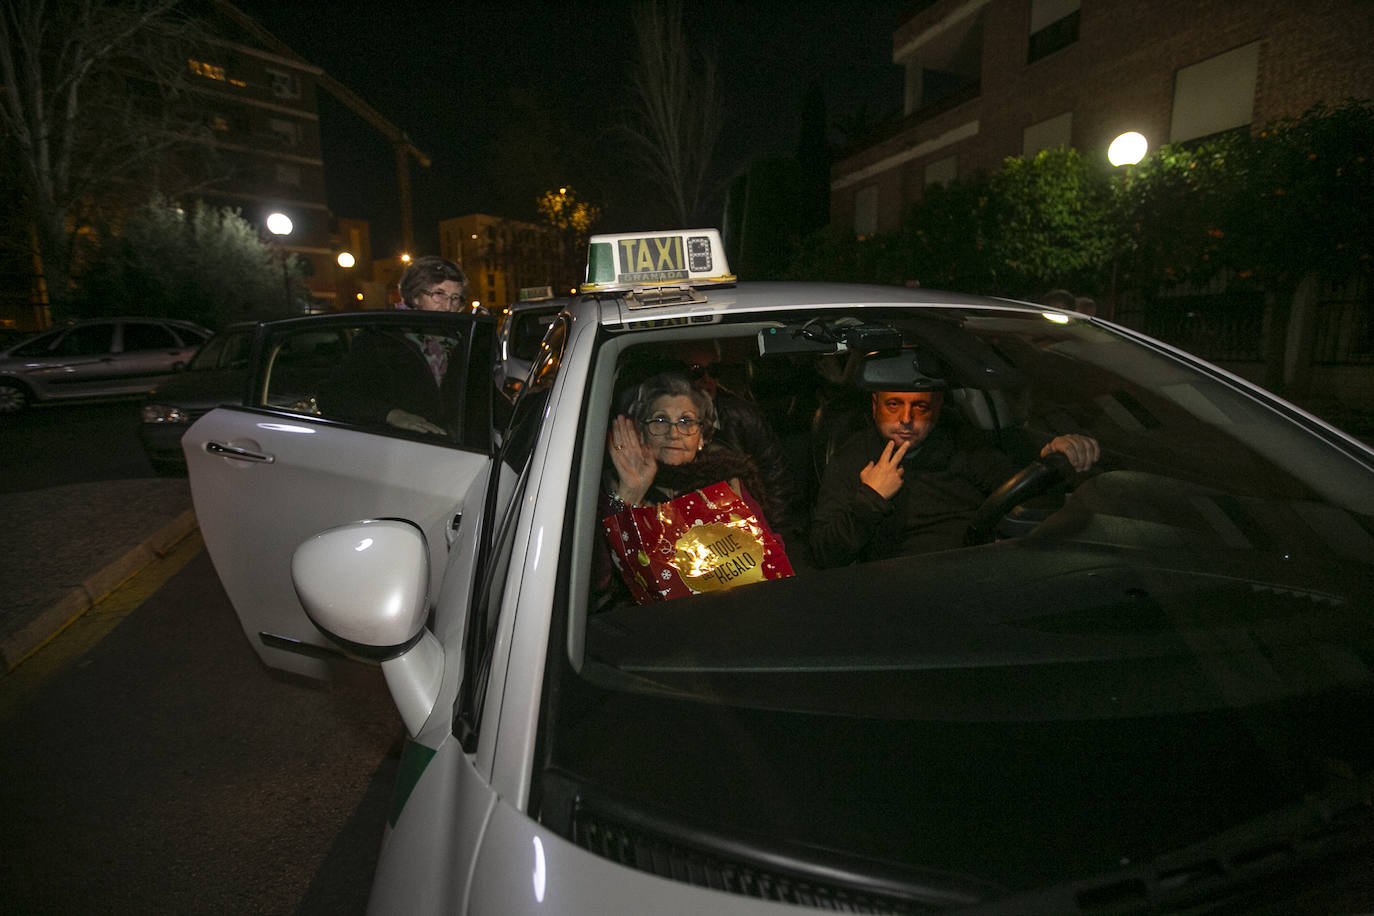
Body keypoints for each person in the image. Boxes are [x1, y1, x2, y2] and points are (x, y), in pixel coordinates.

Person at [808, 373, 1099, 568]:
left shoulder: (964, 445)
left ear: (937, 408)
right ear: (874, 406)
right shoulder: (852, 459)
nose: (906, 419)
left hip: (976, 573)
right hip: (899, 589)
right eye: (893, 405)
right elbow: (823, 553)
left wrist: (1049, 461)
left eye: (920, 407)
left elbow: (1028, 505)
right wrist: (870, 499)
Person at [317, 255, 468, 436]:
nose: (448, 306)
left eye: (455, 297)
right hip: (399, 446)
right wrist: (390, 414)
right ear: (415, 296)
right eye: (439, 294)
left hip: (456, 446)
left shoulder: (461, 340)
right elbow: (333, 396)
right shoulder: (381, 339)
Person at [604, 371, 771, 523]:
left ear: (701, 437)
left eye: (686, 421)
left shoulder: (730, 480)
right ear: (641, 432)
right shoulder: (614, 485)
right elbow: (606, 552)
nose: (674, 434)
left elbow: (771, 548)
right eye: (660, 420)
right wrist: (629, 495)